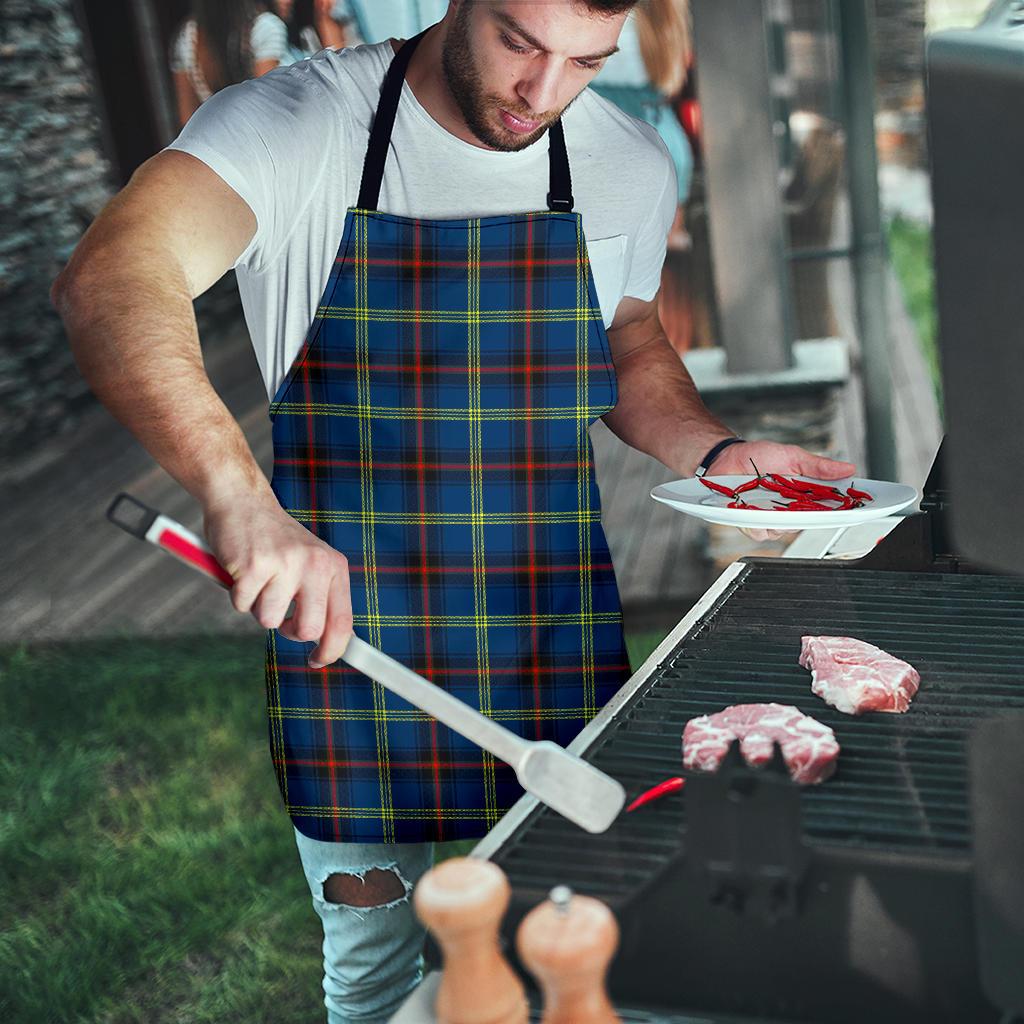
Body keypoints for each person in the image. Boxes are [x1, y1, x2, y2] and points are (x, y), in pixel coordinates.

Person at [52, 2, 856, 1020]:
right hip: (347, 652)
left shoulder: (625, 160)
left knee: (571, 952)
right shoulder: (298, 125)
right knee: (379, 975)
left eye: (585, 62)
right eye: (521, 43)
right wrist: (237, 497)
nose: (543, 93)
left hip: (548, 635)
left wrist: (718, 450)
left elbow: (627, 336)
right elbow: (113, 275)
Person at [170, 0, 289, 128]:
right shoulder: (265, 27)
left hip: (217, 141)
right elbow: (268, 107)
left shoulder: (187, 36)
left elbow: (187, 119)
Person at [275, 0, 350, 64]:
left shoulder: (307, 29)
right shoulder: (271, 26)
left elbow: (339, 62)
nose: (288, 2)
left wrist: (323, 17)